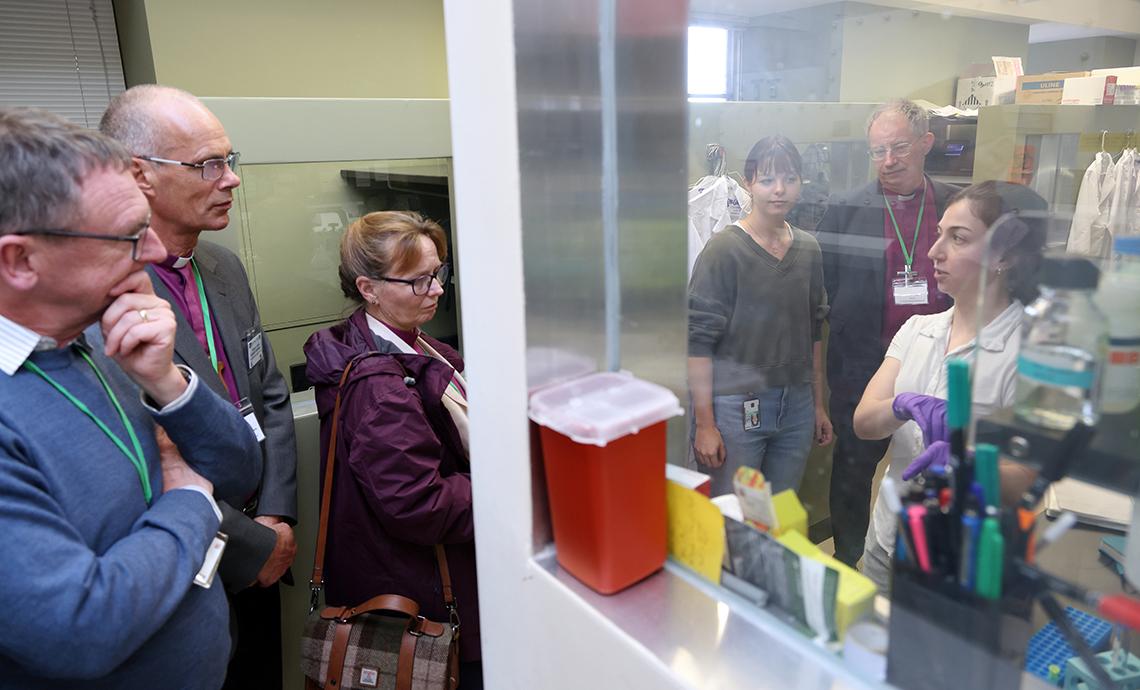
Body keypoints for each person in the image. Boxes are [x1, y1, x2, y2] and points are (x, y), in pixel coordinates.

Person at [0, 108, 261, 687]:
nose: (154, 252)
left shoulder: (105, 336)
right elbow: (79, 628)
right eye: (126, 236)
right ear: (19, 260)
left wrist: (166, 380)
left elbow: (240, 471)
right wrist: (190, 501)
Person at [100, 85, 298, 689]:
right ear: (142, 175)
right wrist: (248, 546)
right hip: (193, 560)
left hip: (266, 533)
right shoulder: (108, 299)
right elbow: (142, 461)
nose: (231, 179)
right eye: (209, 165)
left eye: (228, 161)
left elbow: (268, 393)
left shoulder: (224, 266)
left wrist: (277, 513)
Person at [304, 211, 481, 688]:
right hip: (424, 596)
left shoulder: (414, 344)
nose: (437, 290)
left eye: (438, 272)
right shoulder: (380, 385)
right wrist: (506, 487)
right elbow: (418, 503)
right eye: (419, 281)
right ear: (368, 288)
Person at [853, 180, 1045, 592]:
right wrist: (901, 405)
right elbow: (865, 422)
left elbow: (1027, 479)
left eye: (957, 238)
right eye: (939, 233)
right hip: (886, 540)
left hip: (958, 563)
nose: (934, 251)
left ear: (1005, 256)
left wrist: (966, 463)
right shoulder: (919, 328)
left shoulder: (1029, 351)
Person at [817, 99, 960, 567]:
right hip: (863, 367)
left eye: (898, 148)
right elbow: (827, 290)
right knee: (853, 474)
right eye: (877, 151)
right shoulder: (844, 211)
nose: (888, 161)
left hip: (937, 363)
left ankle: (924, 565)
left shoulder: (957, 206)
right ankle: (850, 563)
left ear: (926, 144)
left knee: (933, 465)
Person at [689, 135, 833, 498]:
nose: (779, 190)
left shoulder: (808, 249)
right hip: (737, 407)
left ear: (801, 183)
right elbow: (697, 341)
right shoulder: (723, 250)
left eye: (790, 179)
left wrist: (817, 405)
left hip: (797, 404)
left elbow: (814, 332)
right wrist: (705, 424)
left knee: (779, 514)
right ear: (750, 182)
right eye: (768, 179)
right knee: (736, 519)